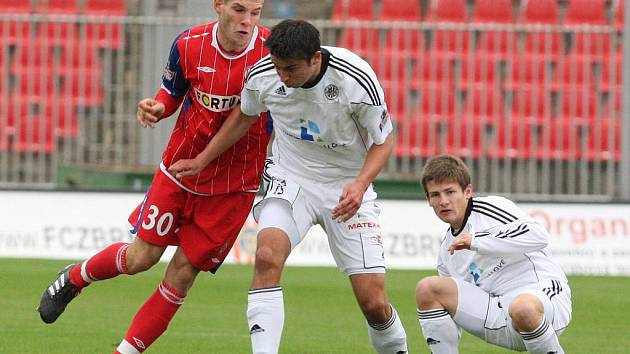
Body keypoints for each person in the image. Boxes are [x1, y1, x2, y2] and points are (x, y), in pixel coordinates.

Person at [37, 1, 270, 353]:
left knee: (181, 273)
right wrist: (158, 107)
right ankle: (74, 278)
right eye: (239, 10)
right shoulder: (189, 44)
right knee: (140, 258)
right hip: (179, 170)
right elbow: (172, 93)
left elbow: (246, 119)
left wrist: (205, 159)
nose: (247, 21)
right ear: (218, 6)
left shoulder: (268, 55)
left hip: (232, 186)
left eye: (256, 12)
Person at [169, 19, 408, 354]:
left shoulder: (356, 79)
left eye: (291, 69)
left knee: (374, 303)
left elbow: (384, 141)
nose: (283, 76)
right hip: (290, 176)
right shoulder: (264, 75)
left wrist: (360, 184)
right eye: (278, 67)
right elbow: (244, 115)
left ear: (315, 58)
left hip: (346, 188)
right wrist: (202, 159)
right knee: (266, 256)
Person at [415, 154, 572, 354]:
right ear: (428, 200)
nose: (443, 201)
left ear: (467, 191)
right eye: (435, 195)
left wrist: (476, 241)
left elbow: (539, 235)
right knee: (428, 288)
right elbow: (451, 315)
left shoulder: (493, 208)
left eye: (450, 192)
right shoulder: (447, 251)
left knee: (522, 308)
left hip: (543, 301)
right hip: (498, 315)